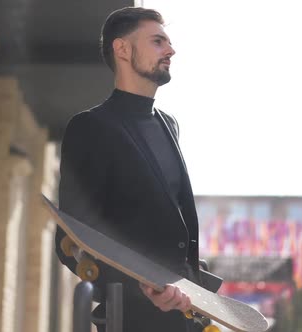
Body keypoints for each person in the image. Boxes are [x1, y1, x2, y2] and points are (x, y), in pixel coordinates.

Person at [55, 7, 205, 332]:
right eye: (157, 41)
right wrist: (142, 287)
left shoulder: (169, 125)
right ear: (122, 49)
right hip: (128, 320)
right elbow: (72, 241)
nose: (171, 50)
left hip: (186, 316)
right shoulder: (90, 127)